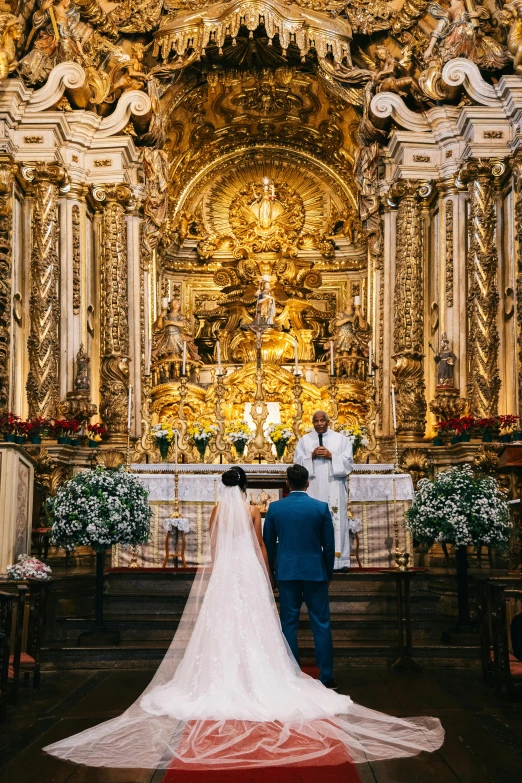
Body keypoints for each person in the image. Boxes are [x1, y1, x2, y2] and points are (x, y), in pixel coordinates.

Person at [44, 467, 444, 770]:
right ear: (246, 488)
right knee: (278, 624)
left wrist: (222, 572)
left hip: (226, 574)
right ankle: (310, 673)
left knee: (231, 626)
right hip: (261, 573)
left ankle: (225, 676)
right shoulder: (257, 509)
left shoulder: (219, 510)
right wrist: (263, 575)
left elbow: (216, 546)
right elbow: (260, 545)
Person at [263, 464, 337, 688]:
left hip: (287, 572)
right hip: (315, 572)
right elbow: (329, 545)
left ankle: (292, 676)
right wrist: (328, 572)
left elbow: (268, 545)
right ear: (308, 483)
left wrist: (272, 574)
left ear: (287, 483)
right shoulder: (320, 508)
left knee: (289, 624)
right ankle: (326, 676)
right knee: (321, 623)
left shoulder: (275, 508)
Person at [295, 411, 354, 570]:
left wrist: (331, 456)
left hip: (334, 484)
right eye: (316, 421)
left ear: (328, 421)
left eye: (322, 420)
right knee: (312, 519)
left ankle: (338, 562)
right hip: (312, 486)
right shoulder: (305, 440)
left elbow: (348, 463)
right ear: (312, 422)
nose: (319, 423)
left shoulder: (341, 439)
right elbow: (297, 464)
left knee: (336, 519)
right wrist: (311, 456)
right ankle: (312, 559)